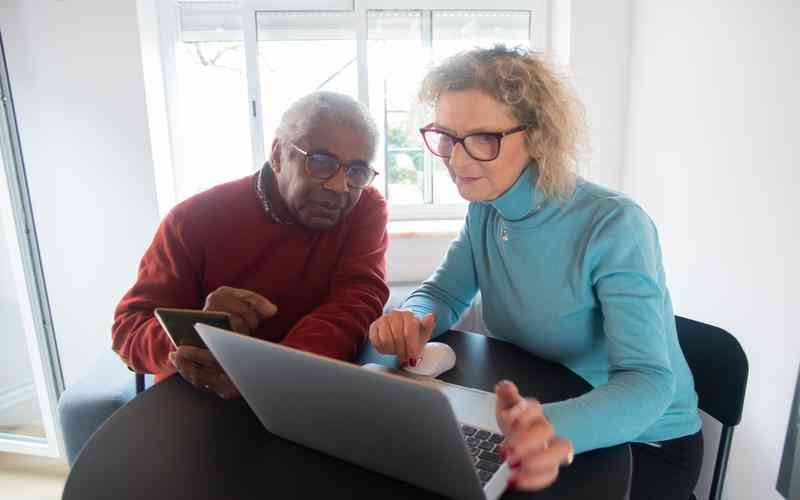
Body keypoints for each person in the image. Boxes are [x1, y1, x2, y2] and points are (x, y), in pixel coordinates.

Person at [368, 46, 703, 498]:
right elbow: (445, 295)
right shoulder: (486, 208)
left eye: (484, 138)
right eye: (446, 136)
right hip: (532, 414)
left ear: (538, 137)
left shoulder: (614, 224)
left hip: (643, 442)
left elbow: (648, 381)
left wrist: (547, 425)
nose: (457, 160)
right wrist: (412, 317)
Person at [112, 91, 389, 399]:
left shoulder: (365, 208)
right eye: (321, 162)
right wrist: (192, 335)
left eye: (357, 171)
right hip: (201, 399)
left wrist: (273, 373)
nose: (340, 187)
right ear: (277, 154)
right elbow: (128, 330)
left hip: (302, 384)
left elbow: (356, 301)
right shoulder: (193, 220)